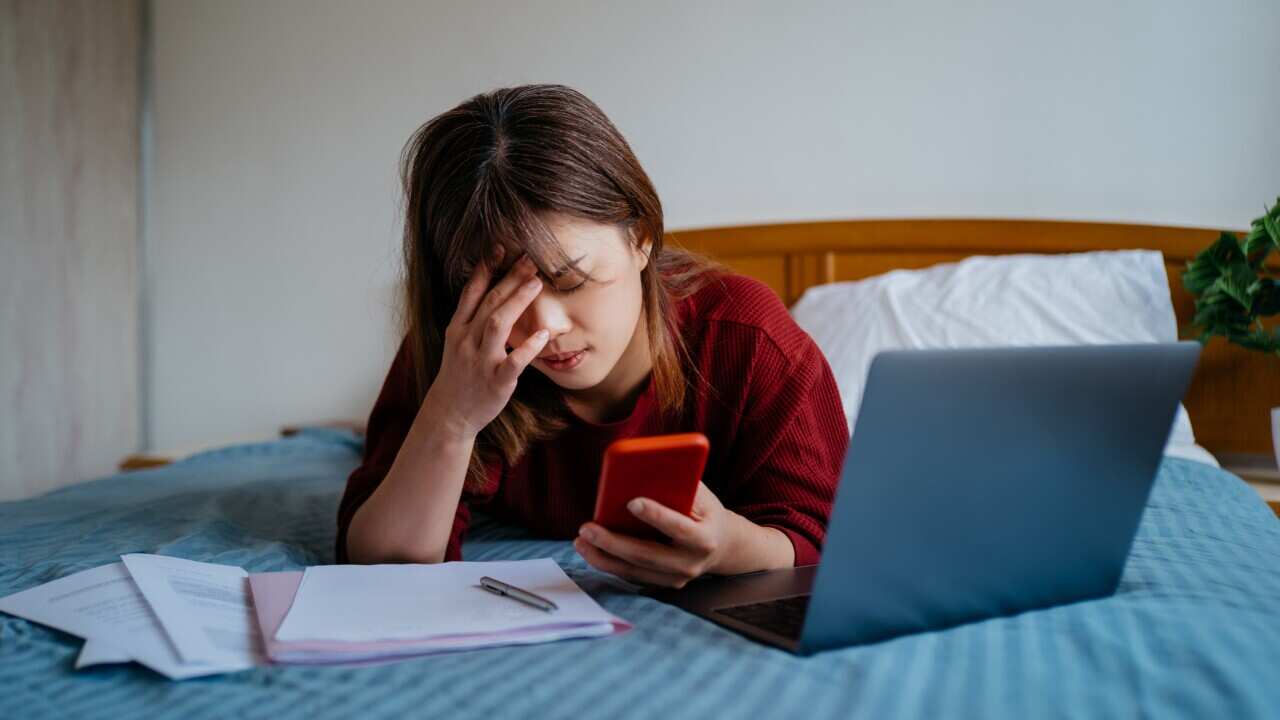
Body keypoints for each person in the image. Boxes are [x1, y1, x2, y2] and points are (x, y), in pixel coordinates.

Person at [338, 84, 848, 588]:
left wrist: (732, 548)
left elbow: (828, 533)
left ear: (642, 238)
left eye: (572, 280)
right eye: (504, 293)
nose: (544, 327)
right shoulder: (467, 343)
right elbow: (379, 564)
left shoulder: (749, 337)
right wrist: (451, 417)